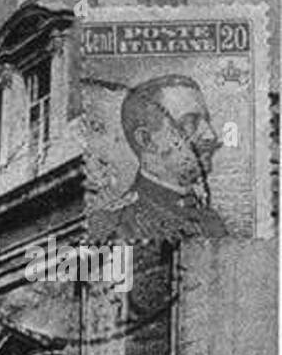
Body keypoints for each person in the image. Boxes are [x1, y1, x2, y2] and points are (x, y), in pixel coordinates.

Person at [93, 74, 228, 241]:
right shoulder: (116, 222)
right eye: (189, 123)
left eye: (206, 121)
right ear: (147, 140)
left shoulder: (212, 221)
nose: (210, 136)